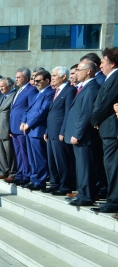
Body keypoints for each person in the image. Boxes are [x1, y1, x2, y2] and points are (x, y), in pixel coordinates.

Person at [65, 61, 101, 207]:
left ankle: (87, 196)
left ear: (88, 71)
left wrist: (77, 134)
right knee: (81, 167)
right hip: (80, 136)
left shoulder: (92, 88)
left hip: (84, 137)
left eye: (79, 70)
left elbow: (86, 114)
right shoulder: (84, 87)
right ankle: (81, 193)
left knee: (85, 167)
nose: (76, 73)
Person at [90, 48, 118, 213]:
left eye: (103, 62)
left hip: (111, 129)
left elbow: (105, 103)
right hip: (107, 129)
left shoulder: (115, 77)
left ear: (112, 63)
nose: (100, 66)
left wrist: (94, 119)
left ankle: (113, 201)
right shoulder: (110, 78)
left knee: (112, 166)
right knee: (109, 165)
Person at [44, 66, 76, 195]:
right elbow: (51, 112)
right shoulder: (56, 91)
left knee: (61, 160)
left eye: (55, 75)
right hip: (51, 131)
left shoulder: (70, 90)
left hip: (59, 132)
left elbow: (68, 113)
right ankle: (54, 182)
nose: (52, 78)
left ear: (64, 76)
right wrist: (46, 130)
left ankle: (65, 185)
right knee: (52, 159)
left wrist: (63, 131)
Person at [20, 70, 54, 190]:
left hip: (37, 129)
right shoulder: (37, 94)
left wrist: (29, 123)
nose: (35, 83)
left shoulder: (50, 93)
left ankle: (40, 180)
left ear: (47, 81)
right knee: (32, 157)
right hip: (29, 130)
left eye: (38, 81)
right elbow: (27, 110)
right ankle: (34, 178)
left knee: (39, 157)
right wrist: (23, 121)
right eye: (34, 80)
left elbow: (42, 112)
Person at [6, 68, 38, 186]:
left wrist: (25, 123)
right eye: (16, 77)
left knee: (24, 152)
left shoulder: (31, 90)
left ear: (26, 77)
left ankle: (27, 174)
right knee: (18, 152)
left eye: (19, 77)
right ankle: (20, 173)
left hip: (22, 126)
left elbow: (31, 109)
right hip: (14, 127)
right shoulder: (18, 91)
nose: (16, 79)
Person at [0, 78, 18, 180]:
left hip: (7, 129)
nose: (1, 88)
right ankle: (3, 171)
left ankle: (12, 173)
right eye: (0, 86)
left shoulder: (14, 96)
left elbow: (12, 115)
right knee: (1, 153)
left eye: (3, 86)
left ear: (10, 85)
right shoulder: (3, 97)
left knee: (9, 153)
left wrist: (11, 130)